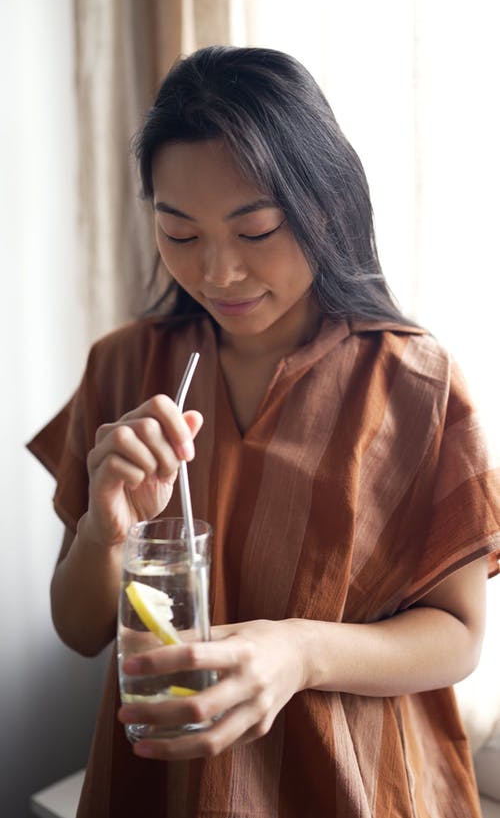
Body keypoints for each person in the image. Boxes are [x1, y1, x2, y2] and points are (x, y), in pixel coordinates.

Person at [28, 46, 500, 818]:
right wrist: (103, 533)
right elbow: (79, 628)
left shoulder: (417, 384)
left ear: (324, 205)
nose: (218, 273)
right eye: (180, 235)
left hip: (356, 785)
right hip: (161, 788)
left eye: (256, 232)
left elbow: (459, 636)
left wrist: (300, 651)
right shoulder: (125, 367)